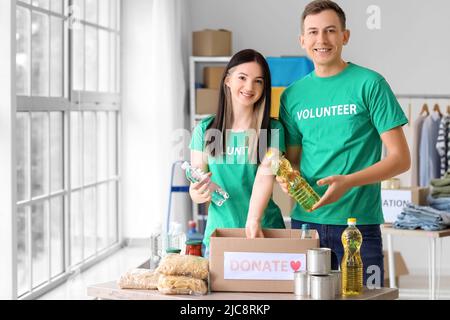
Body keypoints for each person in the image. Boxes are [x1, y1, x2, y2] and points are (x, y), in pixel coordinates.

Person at [278, 0, 411, 286]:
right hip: (306, 225)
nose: (321, 40)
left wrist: (348, 181)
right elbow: (294, 163)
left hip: (358, 225)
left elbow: (401, 159)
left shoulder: (370, 84)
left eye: (330, 31)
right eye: (312, 32)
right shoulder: (292, 96)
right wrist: (286, 178)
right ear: (302, 40)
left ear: (345, 36)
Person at [189, 49, 286, 257]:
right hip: (221, 234)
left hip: (264, 231)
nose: (250, 87)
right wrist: (197, 193)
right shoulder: (205, 131)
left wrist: (253, 220)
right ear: (227, 80)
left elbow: (265, 176)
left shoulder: (272, 131)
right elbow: (196, 181)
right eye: (242, 77)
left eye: (258, 81)